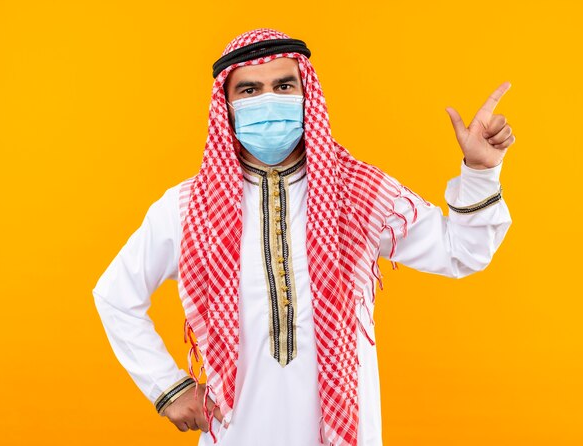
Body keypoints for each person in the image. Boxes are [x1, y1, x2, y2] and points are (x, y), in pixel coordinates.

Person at [92, 28, 514, 446]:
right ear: (227, 105)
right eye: (250, 90)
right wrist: (168, 387)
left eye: (283, 85)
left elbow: (461, 253)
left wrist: (480, 171)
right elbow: (115, 295)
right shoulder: (188, 207)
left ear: (305, 92)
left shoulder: (356, 192)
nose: (269, 100)